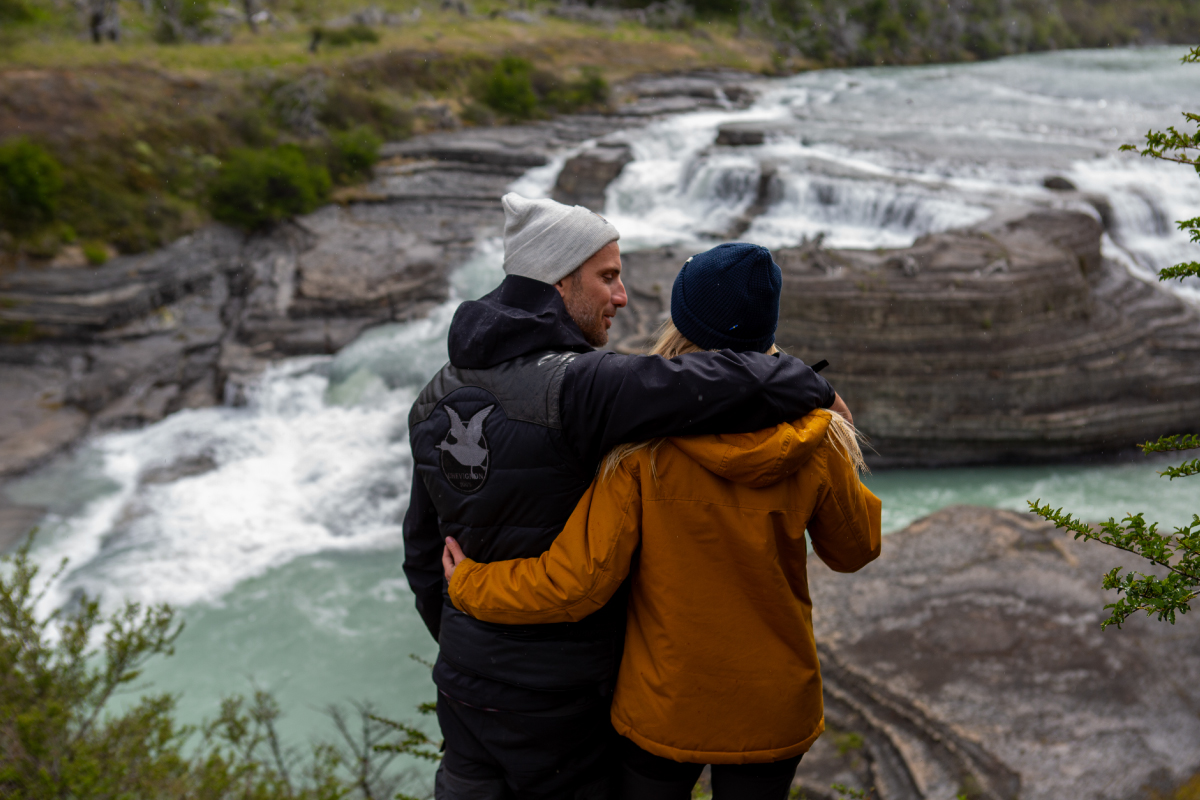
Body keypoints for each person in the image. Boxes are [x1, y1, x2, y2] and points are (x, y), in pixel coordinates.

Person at [404, 195, 850, 800]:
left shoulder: (432, 398)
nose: (620, 296)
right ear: (561, 280)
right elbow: (706, 381)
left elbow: (422, 555)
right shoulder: (581, 385)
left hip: (464, 686)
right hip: (563, 696)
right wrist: (811, 383)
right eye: (608, 277)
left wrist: (468, 642)